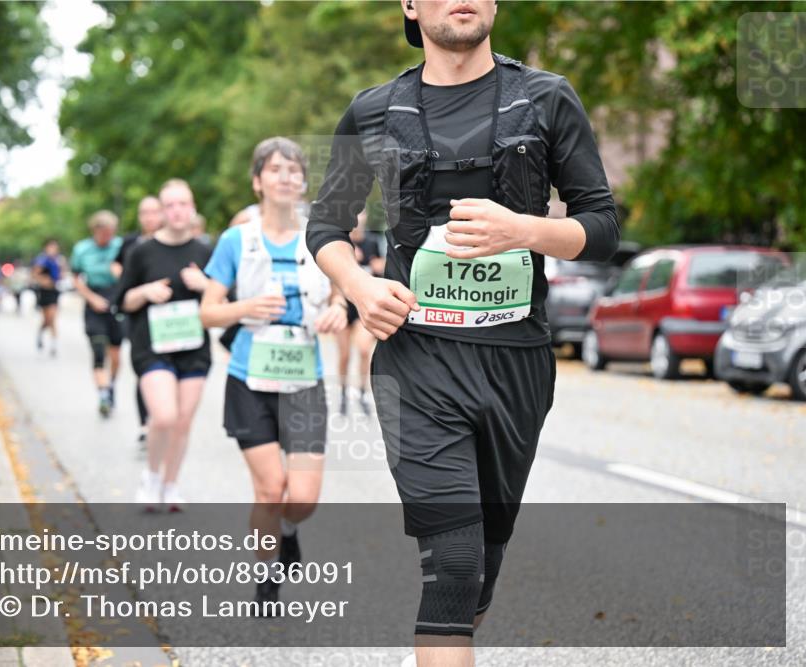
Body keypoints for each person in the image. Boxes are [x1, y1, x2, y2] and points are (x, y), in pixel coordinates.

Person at [306, 2, 619, 664]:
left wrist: (525, 230)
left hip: (516, 364)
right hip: (415, 362)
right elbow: (326, 225)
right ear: (410, 5)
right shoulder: (372, 110)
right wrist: (360, 288)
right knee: (452, 562)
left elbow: (601, 227)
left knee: (481, 564)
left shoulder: (547, 98)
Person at [201, 137, 347, 610]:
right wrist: (245, 308)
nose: (285, 177)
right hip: (250, 379)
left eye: (294, 170)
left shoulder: (321, 236)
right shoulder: (236, 240)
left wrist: (339, 308)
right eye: (275, 169)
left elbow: (342, 290)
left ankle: (287, 528)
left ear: (303, 182)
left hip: (304, 381)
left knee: (302, 497)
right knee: (269, 488)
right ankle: (266, 579)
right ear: (257, 181)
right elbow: (208, 312)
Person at [115, 179, 212, 512]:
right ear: (160, 212)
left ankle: (171, 485)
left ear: (193, 208)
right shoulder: (142, 251)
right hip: (152, 346)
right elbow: (122, 300)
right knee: (165, 416)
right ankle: (151, 476)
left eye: (183, 204)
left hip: (194, 347)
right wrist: (145, 292)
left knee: (183, 422)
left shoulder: (205, 252)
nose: (177, 211)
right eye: (169, 205)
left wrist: (205, 285)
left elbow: (225, 298)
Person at [112, 195, 165, 451]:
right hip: (139, 316)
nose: (150, 218)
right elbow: (116, 265)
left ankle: (163, 420)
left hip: (169, 317)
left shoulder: (173, 241)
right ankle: (145, 423)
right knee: (145, 370)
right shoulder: (131, 243)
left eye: (154, 212)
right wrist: (130, 279)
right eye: (145, 213)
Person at [70, 210, 124, 417]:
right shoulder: (82, 249)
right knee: (99, 351)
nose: (107, 237)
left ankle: (111, 385)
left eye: (110, 233)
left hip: (116, 299)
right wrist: (91, 298)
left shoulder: (119, 246)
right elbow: (76, 278)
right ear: (95, 231)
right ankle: (103, 394)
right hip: (94, 301)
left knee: (116, 355)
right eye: (104, 233)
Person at [334, 207, 384, 416]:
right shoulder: (340, 242)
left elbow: (381, 271)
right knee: (345, 355)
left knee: (364, 350)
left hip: (363, 305)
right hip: (344, 306)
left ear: (365, 216)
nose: (356, 218)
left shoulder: (372, 242)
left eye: (360, 212)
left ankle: (363, 392)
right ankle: (343, 393)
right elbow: (332, 276)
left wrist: (380, 266)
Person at [32, 239, 63, 357]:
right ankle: (40, 333)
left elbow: (60, 274)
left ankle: (54, 344)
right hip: (44, 292)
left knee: (53, 318)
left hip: (54, 291)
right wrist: (44, 281)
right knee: (47, 319)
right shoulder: (42, 260)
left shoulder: (58, 260)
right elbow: (35, 274)